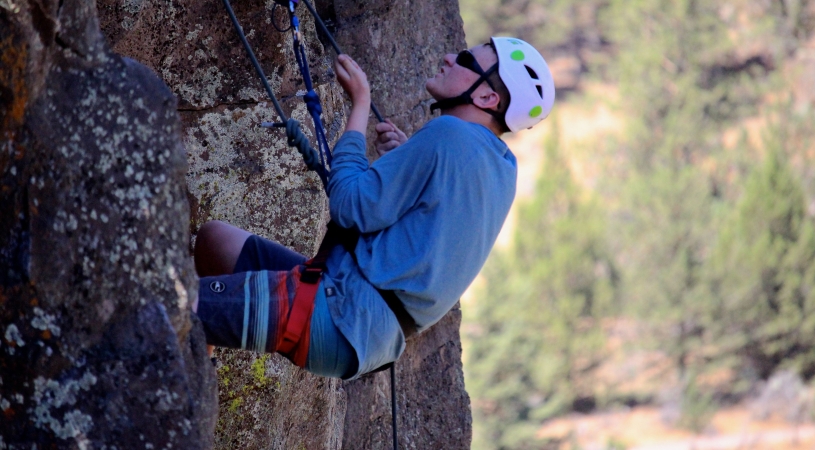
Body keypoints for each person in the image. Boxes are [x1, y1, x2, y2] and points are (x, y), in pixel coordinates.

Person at [193, 37, 556, 380]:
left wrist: (360, 105)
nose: (449, 58)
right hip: (363, 331)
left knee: (173, 307)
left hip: (338, 312)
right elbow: (432, 217)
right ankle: (196, 363)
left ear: (487, 96)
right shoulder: (503, 167)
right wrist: (405, 158)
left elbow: (351, 205)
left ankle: (186, 386)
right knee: (214, 242)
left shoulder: (449, 133)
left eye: (465, 59)